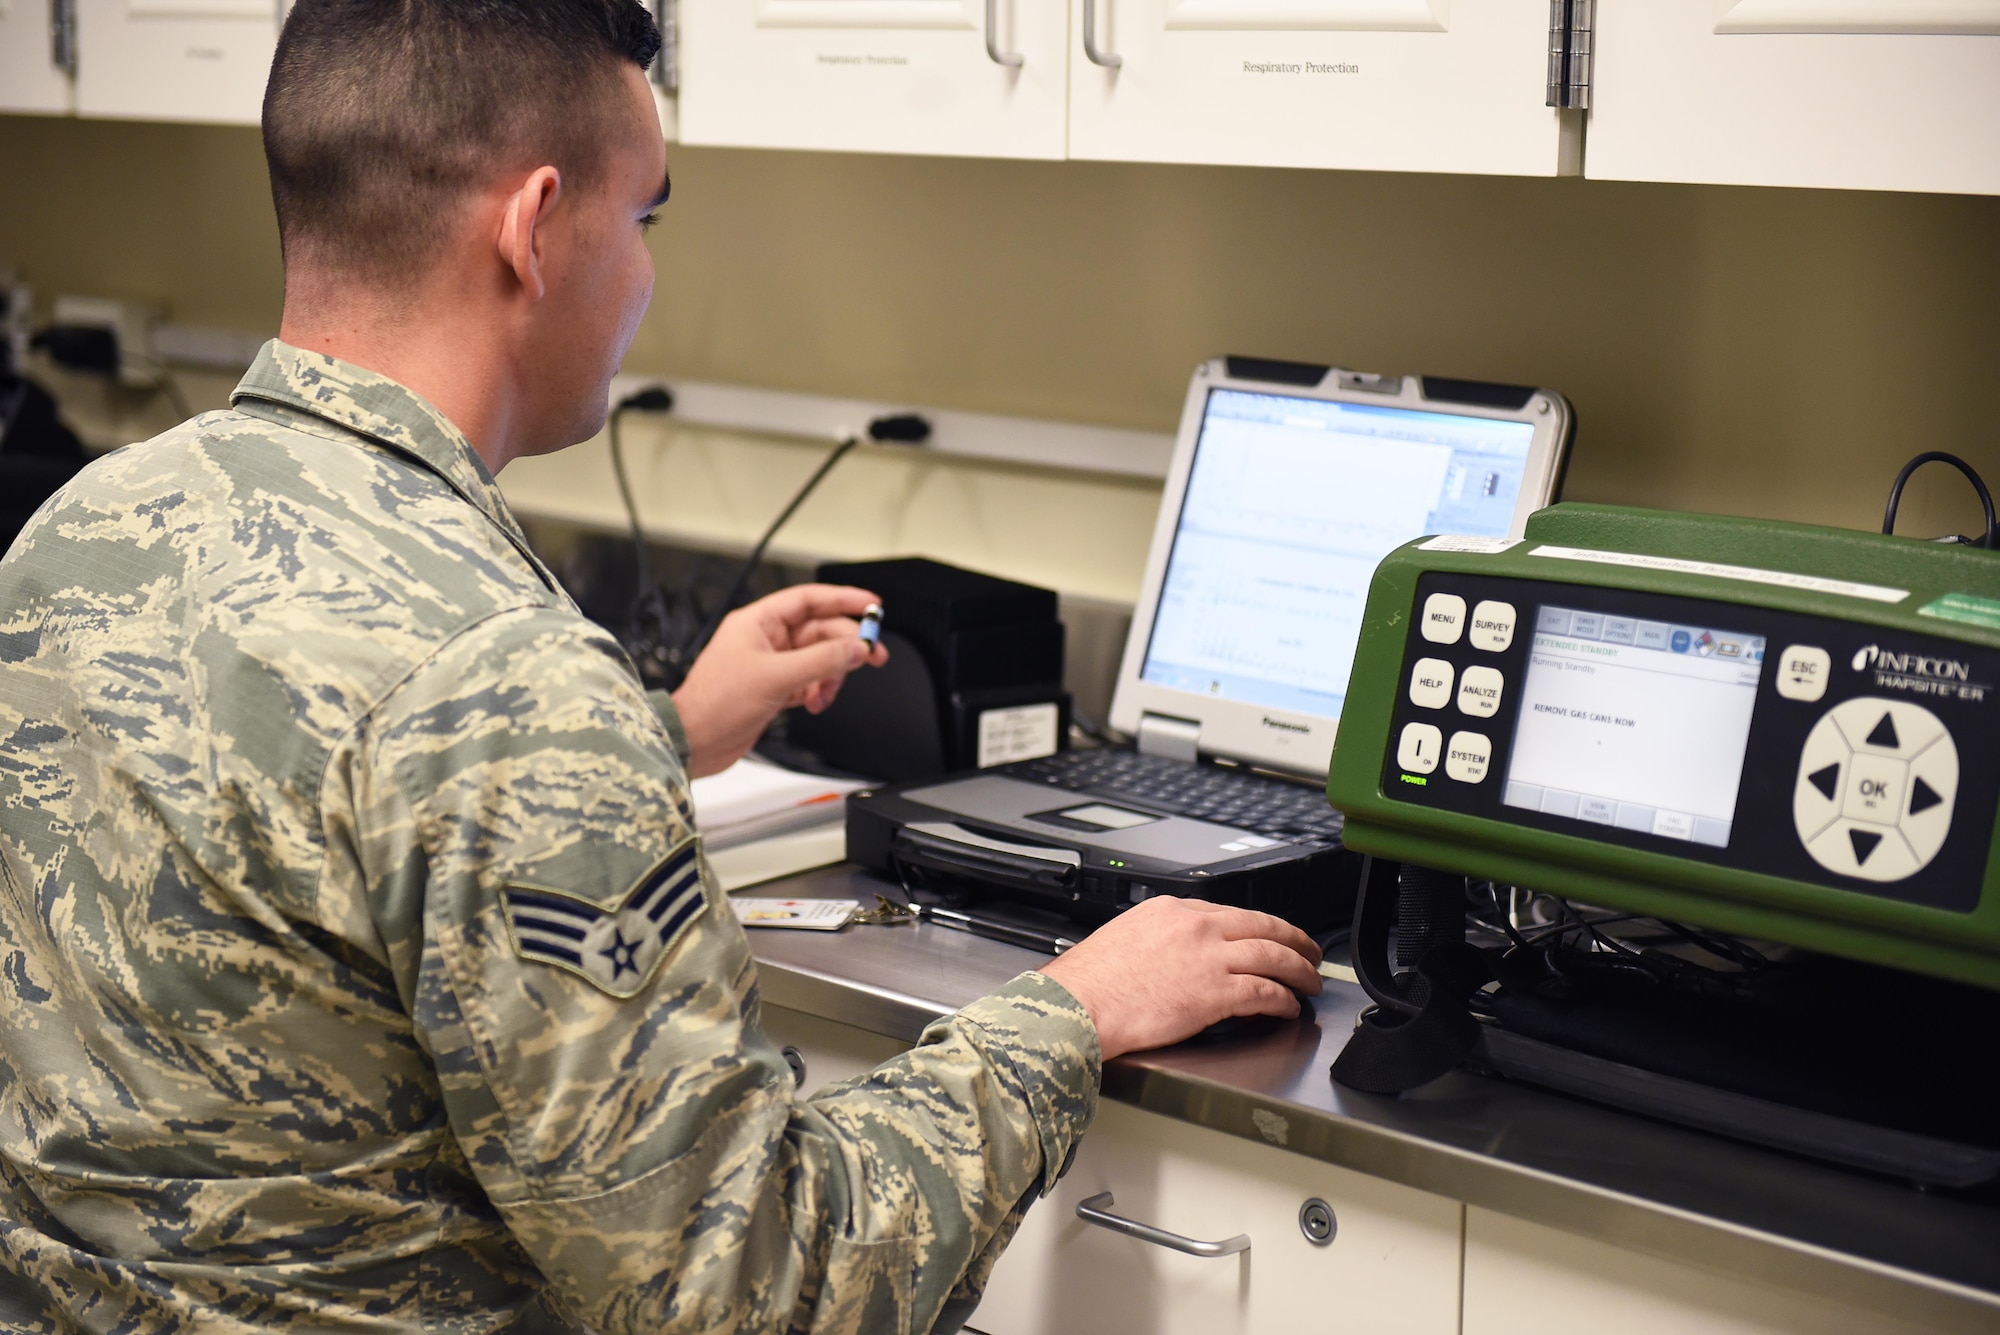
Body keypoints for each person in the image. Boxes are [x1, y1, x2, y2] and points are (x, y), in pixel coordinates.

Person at [0, 1, 1324, 1330]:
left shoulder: (77, 535)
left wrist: (658, 732)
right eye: (645, 223)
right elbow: (756, 1292)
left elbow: (313, 799)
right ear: (532, 228)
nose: (645, 276)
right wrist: (1068, 1011)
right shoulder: (508, 688)